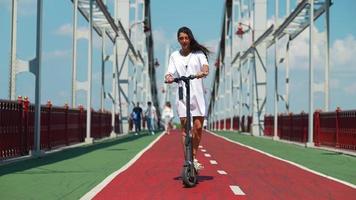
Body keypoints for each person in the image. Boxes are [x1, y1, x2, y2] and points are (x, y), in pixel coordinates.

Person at [164, 26, 210, 171]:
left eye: (186, 38)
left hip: (197, 94)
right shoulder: (174, 56)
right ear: (178, 40)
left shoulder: (198, 53)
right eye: (181, 38)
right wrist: (169, 77)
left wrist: (203, 72)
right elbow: (169, 72)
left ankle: (194, 157)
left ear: (190, 38)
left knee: (198, 127)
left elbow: (205, 67)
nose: (184, 41)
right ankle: (188, 162)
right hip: (182, 94)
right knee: (184, 128)